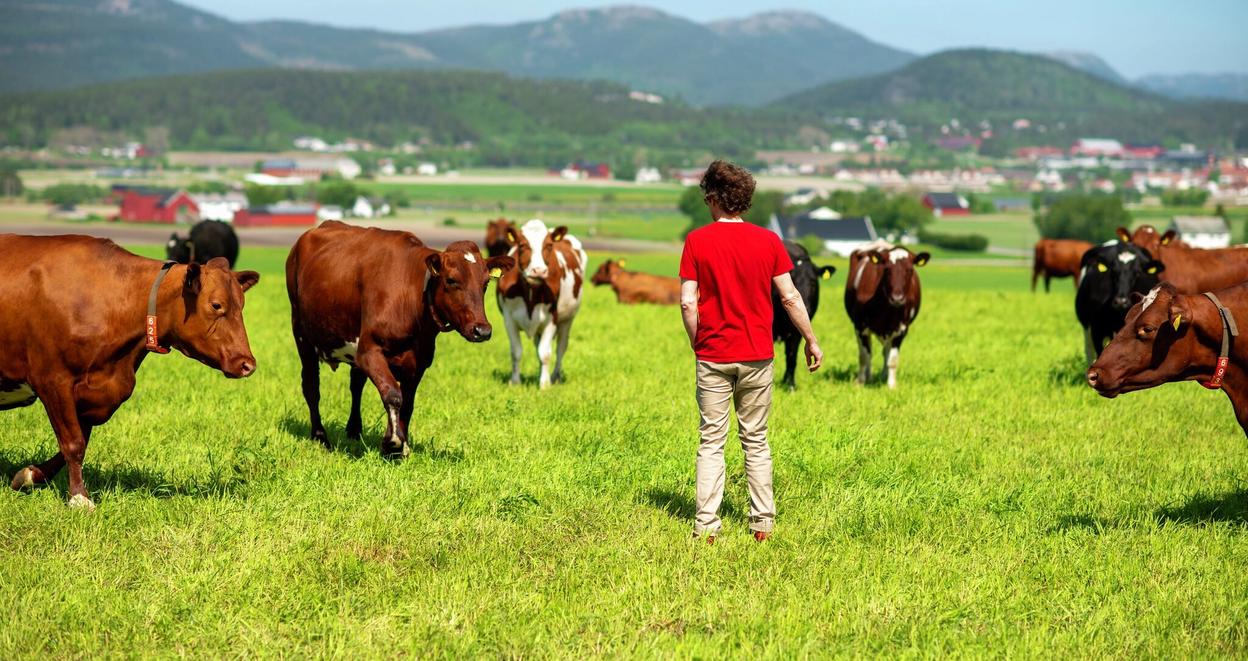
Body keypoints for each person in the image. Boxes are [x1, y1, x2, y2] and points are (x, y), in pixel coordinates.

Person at [679, 160, 823, 543]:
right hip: (758, 355)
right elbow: (790, 297)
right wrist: (810, 339)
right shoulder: (769, 242)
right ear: (744, 200)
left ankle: (706, 527)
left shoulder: (697, 241)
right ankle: (762, 524)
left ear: (712, 198)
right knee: (755, 440)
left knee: (711, 440)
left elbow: (687, 304)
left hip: (713, 355)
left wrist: (698, 341)